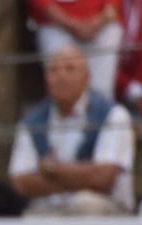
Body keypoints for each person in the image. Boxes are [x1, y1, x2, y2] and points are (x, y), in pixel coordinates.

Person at [9, 45, 135, 216]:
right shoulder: (31, 122)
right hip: (54, 207)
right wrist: (82, 177)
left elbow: (104, 177)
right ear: (46, 78)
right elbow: (21, 183)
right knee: (33, 216)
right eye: (54, 70)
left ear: (87, 78)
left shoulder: (114, 115)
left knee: (84, 203)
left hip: (110, 210)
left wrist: (52, 169)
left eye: (70, 69)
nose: (61, 76)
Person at [28, 0, 123, 99]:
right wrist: (72, 25)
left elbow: (113, 5)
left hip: (102, 28)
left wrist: (100, 20)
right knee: (64, 91)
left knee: (101, 91)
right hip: (56, 28)